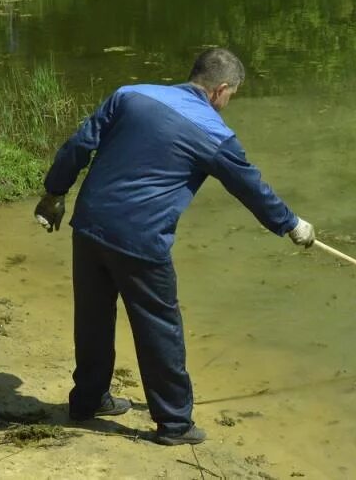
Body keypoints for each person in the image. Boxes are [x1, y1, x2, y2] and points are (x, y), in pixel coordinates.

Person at [33, 48, 316, 446]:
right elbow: (251, 188)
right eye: (231, 96)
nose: (228, 104)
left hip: (90, 224)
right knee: (159, 329)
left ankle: (88, 400)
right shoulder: (214, 133)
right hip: (140, 240)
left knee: (94, 317)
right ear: (220, 90)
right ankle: (175, 424)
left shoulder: (130, 94)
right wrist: (291, 224)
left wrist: (54, 192)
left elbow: (80, 144)